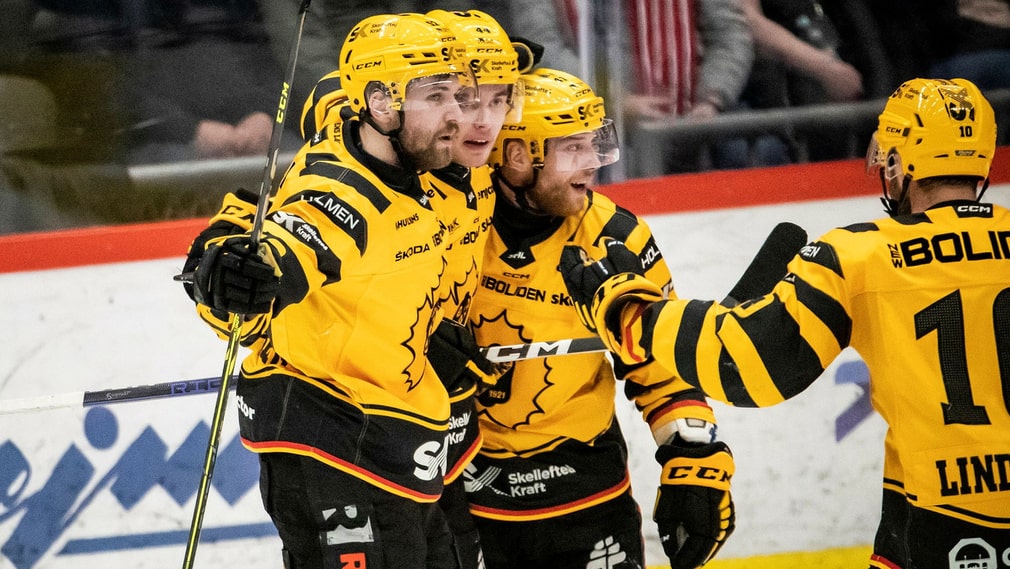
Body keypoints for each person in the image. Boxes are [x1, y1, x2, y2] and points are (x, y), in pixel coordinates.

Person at [560, 77, 1010, 569]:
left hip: (941, 522)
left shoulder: (860, 254)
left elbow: (746, 365)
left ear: (901, 161)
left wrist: (632, 312)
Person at [183, 12, 478, 568]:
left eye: (460, 97)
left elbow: (330, 95)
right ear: (384, 104)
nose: (458, 116)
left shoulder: (408, 162)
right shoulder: (342, 191)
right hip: (335, 449)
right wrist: (243, 271)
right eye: (438, 96)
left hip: (396, 444)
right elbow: (292, 248)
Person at [464, 67, 735, 569]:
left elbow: (660, 361)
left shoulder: (615, 237)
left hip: (586, 488)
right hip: (468, 495)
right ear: (519, 155)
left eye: (594, 144)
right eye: (572, 148)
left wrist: (695, 460)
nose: (593, 164)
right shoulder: (452, 222)